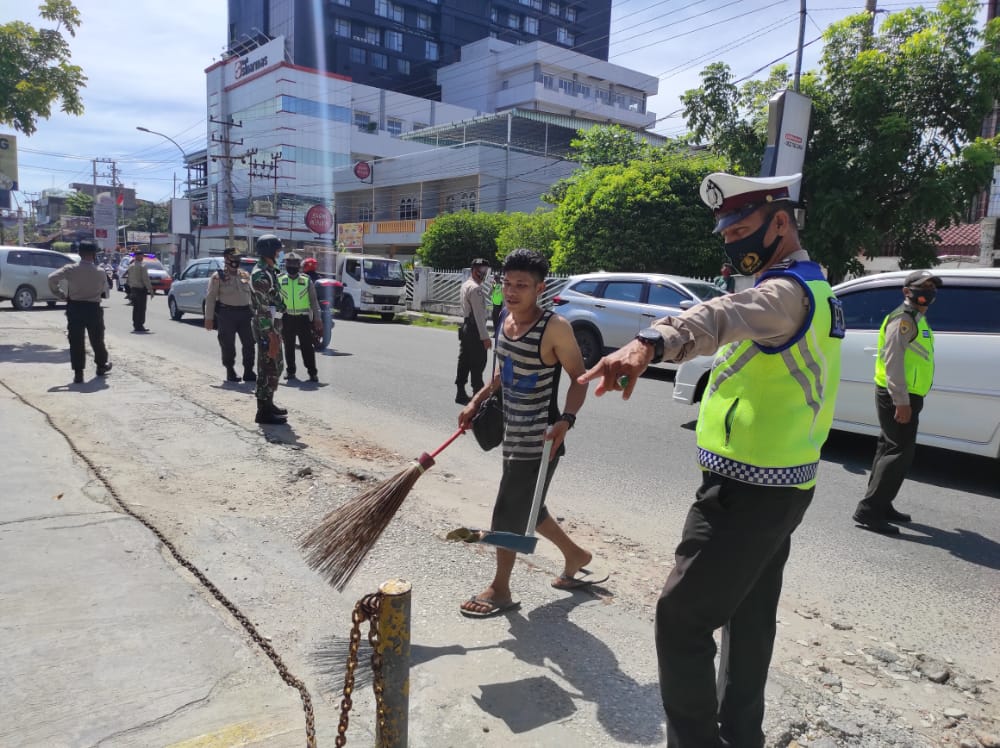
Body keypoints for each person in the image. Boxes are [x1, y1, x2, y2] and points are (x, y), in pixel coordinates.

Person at [580, 172, 843, 748]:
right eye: (727, 234)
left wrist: (647, 342)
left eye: (744, 229)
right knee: (749, 617)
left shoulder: (786, 293)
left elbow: (717, 316)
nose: (733, 243)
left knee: (681, 618)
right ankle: (742, 734)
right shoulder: (815, 286)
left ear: (781, 221)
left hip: (746, 493)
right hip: (785, 484)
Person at [457, 249, 595, 618]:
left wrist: (566, 420)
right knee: (531, 509)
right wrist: (476, 401)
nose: (513, 291)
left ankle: (500, 589)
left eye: (522, 285)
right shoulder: (505, 319)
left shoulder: (555, 327)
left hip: (542, 441)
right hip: (511, 432)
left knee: (508, 511)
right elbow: (503, 374)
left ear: (539, 288)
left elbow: (579, 379)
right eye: (507, 283)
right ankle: (576, 556)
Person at [852, 269, 941, 536]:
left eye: (931, 288)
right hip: (897, 396)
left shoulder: (916, 319)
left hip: (907, 394)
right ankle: (869, 510)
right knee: (899, 452)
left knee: (888, 449)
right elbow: (893, 362)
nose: (927, 292)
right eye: (921, 287)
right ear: (907, 291)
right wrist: (902, 401)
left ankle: (881, 503)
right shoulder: (902, 320)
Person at [47, 240, 112, 384]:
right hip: (93, 309)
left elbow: (51, 278)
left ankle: (78, 373)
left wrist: (60, 294)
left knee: (76, 341)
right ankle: (101, 366)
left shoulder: (70, 269)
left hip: (75, 308)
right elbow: (105, 292)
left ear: (80, 254)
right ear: (93, 254)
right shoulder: (100, 272)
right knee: (97, 340)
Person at [249, 234, 289, 425]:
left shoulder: (270, 271)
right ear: (268, 252)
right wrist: (270, 333)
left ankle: (269, 403)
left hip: (274, 325)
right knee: (267, 367)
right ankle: (263, 412)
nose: (280, 253)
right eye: (277, 250)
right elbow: (262, 307)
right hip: (266, 326)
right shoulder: (260, 275)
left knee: (275, 365)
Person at [205, 247, 257, 383]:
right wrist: (209, 318)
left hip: (245, 313)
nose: (236, 261)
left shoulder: (245, 275)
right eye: (234, 259)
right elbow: (211, 298)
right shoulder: (218, 277)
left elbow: (252, 296)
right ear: (226, 259)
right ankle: (230, 370)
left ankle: (248, 370)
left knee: (249, 343)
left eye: (238, 259)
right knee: (228, 344)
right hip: (227, 314)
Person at [277, 252, 322, 383]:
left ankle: (312, 373)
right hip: (287, 318)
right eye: (289, 263)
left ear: (299, 265)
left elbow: (314, 302)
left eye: (295, 263)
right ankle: (290, 371)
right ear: (285, 265)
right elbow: (276, 302)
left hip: (303, 319)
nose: (292, 266)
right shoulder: (279, 280)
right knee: (288, 346)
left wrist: (317, 318)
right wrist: (277, 319)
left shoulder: (306, 280)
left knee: (307, 347)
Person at [455, 258, 492, 405]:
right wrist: (485, 337)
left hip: (466, 327)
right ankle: (478, 394)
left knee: (464, 360)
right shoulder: (475, 289)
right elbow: (478, 315)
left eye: (485, 270)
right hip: (475, 329)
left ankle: (460, 392)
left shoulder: (466, 285)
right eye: (482, 270)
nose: (484, 273)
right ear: (475, 271)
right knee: (478, 362)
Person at [125, 253, 153, 331]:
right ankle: (140, 325)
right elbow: (145, 279)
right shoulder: (142, 266)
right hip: (141, 290)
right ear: (138, 256)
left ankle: (135, 324)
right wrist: (150, 289)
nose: (143, 257)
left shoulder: (131, 266)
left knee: (136, 308)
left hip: (133, 289)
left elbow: (129, 279)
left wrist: (131, 288)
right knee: (141, 308)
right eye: (142, 256)